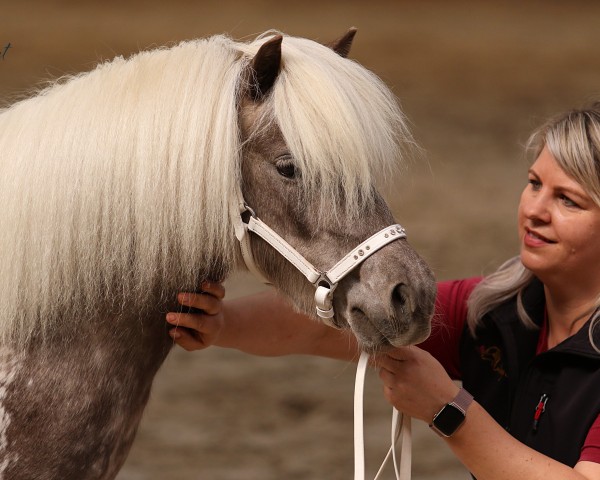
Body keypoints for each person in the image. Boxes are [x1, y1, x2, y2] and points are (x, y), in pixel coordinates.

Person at [165, 104, 600, 480]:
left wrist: (449, 411)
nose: (535, 211)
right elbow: (324, 328)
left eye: (569, 201)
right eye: (534, 183)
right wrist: (224, 325)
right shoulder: (502, 310)